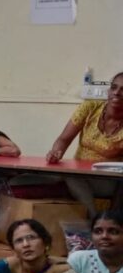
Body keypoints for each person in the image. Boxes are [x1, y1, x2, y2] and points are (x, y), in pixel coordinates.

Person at [47, 71, 123, 215]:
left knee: (70, 176)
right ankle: (93, 219)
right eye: (114, 87)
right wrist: (56, 153)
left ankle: (93, 219)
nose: (117, 93)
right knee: (35, 176)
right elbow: (63, 139)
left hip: (110, 180)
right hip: (80, 172)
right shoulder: (90, 108)